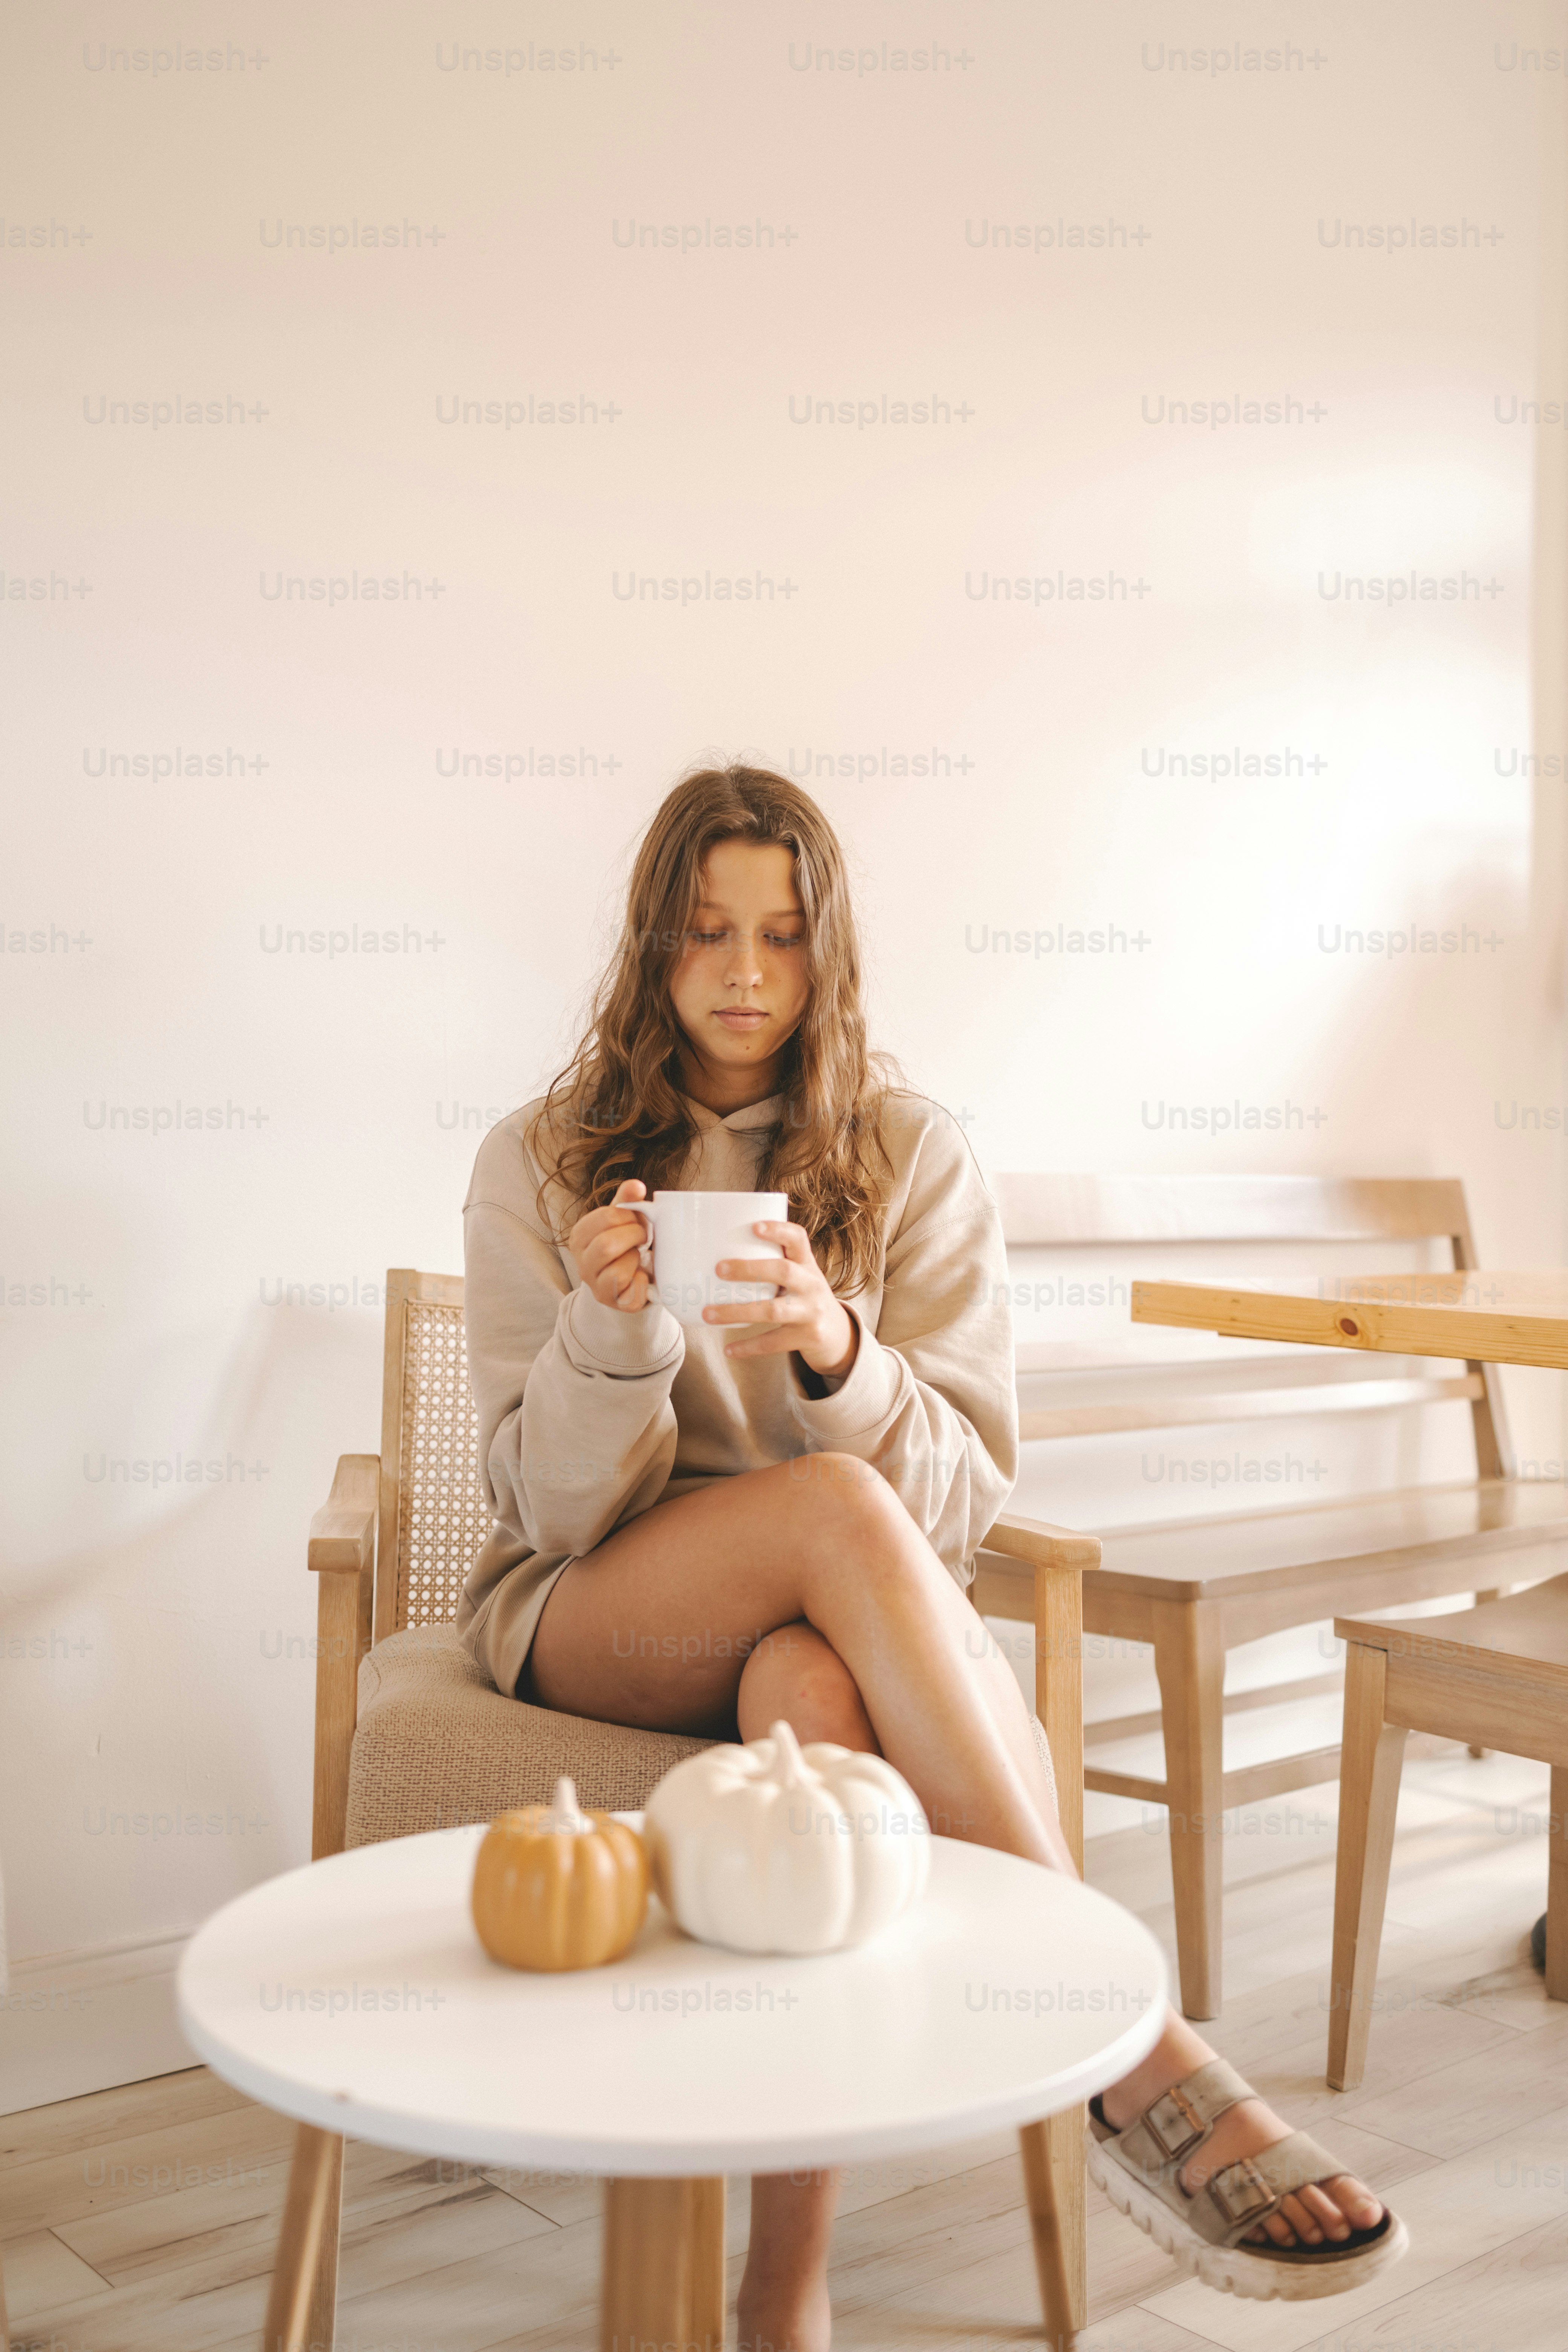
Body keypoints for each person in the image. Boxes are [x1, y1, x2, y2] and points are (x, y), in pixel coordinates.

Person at [456, 763, 1406, 2347]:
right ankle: (1127, 2035)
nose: (744, 975)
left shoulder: (909, 1153)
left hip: (821, 1633)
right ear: (647, 949)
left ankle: (784, 2290)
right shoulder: (539, 1157)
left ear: (830, 952)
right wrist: (605, 1334)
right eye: (702, 934)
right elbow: (547, 1518)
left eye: (780, 935)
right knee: (830, 1521)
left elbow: (959, 1508)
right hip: (598, 1617)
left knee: (813, 1695)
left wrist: (842, 1356)